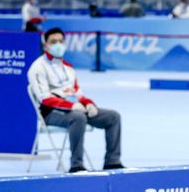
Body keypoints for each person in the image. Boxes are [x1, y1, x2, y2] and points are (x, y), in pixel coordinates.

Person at [27, 28, 124, 173]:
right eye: (53, 42)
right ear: (45, 45)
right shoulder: (37, 68)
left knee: (113, 117)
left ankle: (112, 161)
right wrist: (72, 106)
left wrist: (89, 104)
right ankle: (77, 165)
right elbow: (45, 99)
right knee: (78, 117)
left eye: (61, 41)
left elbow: (78, 93)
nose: (58, 44)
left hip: (75, 108)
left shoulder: (68, 68)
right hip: (52, 112)